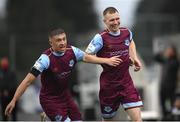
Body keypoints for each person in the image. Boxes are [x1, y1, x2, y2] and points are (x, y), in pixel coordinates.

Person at [4, 28, 122, 121]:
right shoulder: (45, 59)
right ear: (51, 42)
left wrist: (107, 60)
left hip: (65, 96)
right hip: (49, 100)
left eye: (64, 39)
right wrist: (14, 100)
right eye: (58, 40)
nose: (62, 42)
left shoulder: (72, 51)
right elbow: (27, 81)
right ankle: (50, 113)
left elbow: (87, 57)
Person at [85, 7, 143, 121]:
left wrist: (134, 57)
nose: (116, 22)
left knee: (137, 120)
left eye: (117, 19)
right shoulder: (100, 38)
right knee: (108, 119)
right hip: (109, 87)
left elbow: (131, 42)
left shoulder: (126, 32)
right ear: (105, 21)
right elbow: (86, 57)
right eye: (112, 20)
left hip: (126, 84)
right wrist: (107, 60)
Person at [154, 45, 179, 120]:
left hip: (171, 86)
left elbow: (173, 66)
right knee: (162, 103)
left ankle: (172, 116)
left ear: (174, 52)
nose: (168, 52)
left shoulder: (175, 61)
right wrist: (162, 52)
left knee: (172, 103)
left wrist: (166, 56)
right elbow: (156, 57)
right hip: (163, 86)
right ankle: (165, 116)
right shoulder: (165, 60)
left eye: (170, 50)